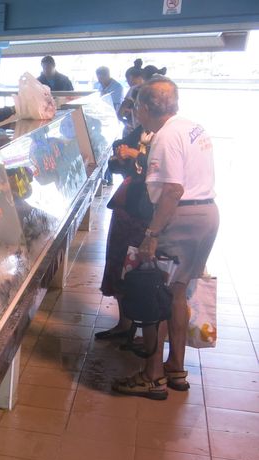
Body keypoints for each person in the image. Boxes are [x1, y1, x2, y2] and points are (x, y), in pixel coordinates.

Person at [112, 77, 220, 400]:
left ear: (145, 108)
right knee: (176, 294)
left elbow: (172, 190)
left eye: (136, 110)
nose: (135, 116)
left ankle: (152, 375)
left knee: (151, 291)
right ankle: (176, 368)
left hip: (179, 219)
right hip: (207, 215)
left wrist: (151, 235)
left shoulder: (164, 137)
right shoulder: (192, 126)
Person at [95, 125, 155, 342]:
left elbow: (163, 170)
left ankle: (148, 332)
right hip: (127, 206)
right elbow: (116, 165)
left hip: (148, 213)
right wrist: (120, 158)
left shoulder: (167, 134)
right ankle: (124, 323)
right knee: (119, 261)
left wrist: (135, 154)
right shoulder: (137, 131)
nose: (134, 110)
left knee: (145, 270)